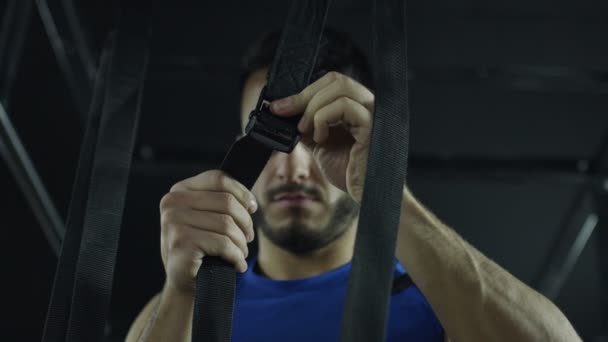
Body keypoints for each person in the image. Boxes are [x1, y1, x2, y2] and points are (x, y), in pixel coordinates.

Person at [126, 29, 581, 342]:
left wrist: (384, 187)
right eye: (267, 139)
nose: (294, 167)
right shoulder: (184, 307)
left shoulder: (436, 296)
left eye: (319, 135)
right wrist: (183, 294)